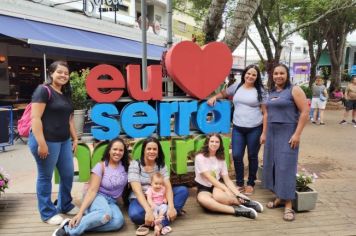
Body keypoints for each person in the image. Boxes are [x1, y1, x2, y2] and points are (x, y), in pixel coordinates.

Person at [28, 61, 79, 225]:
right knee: (45, 177)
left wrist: (75, 137)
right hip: (46, 141)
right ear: (51, 73)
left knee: (68, 174)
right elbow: (35, 118)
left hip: (64, 141)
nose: (64, 75)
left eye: (66, 73)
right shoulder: (43, 91)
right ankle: (47, 213)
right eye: (60, 72)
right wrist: (41, 143)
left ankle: (64, 204)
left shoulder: (64, 94)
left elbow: (69, 119)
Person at [207, 64, 267, 195]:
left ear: (257, 77)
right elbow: (224, 93)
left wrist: (264, 133)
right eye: (248, 73)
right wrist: (214, 97)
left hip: (255, 128)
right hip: (238, 128)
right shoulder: (237, 86)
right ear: (244, 74)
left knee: (252, 156)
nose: (250, 76)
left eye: (254, 75)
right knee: (237, 155)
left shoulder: (260, 91)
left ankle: (250, 183)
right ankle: (240, 183)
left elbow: (265, 113)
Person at [52, 138, 129, 236]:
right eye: (115, 149)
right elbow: (92, 191)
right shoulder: (101, 166)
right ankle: (67, 231)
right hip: (97, 196)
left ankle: (76, 224)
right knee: (106, 213)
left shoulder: (126, 166)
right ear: (109, 150)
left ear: (124, 152)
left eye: (121, 150)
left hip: (112, 201)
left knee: (118, 222)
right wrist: (80, 213)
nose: (117, 152)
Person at [263, 63, 309, 221]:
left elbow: (305, 112)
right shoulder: (272, 92)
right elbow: (267, 114)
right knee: (274, 166)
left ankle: (288, 205)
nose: (278, 76)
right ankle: (279, 197)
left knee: (286, 167)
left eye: (281, 73)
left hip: (288, 133)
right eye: (275, 73)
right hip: (271, 133)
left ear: (287, 75)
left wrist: (297, 134)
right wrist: (264, 133)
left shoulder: (294, 90)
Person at [128, 137, 189, 236]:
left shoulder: (161, 165)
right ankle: (166, 218)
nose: (152, 151)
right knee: (135, 215)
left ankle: (160, 221)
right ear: (144, 150)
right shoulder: (135, 165)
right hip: (142, 198)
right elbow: (137, 190)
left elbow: (168, 186)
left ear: (158, 151)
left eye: (154, 149)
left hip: (160, 197)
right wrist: (148, 210)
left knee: (183, 191)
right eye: (149, 149)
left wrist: (171, 207)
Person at [194, 133, 263, 219]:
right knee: (204, 200)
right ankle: (238, 211)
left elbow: (227, 180)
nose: (214, 144)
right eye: (212, 141)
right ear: (207, 142)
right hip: (203, 188)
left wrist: (238, 194)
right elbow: (209, 177)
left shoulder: (221, 158)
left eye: (217, 142)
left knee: (220, 197)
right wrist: (226, 190)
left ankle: (245, 203)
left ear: (220, 144)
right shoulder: (199, 157)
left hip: (217, 186)